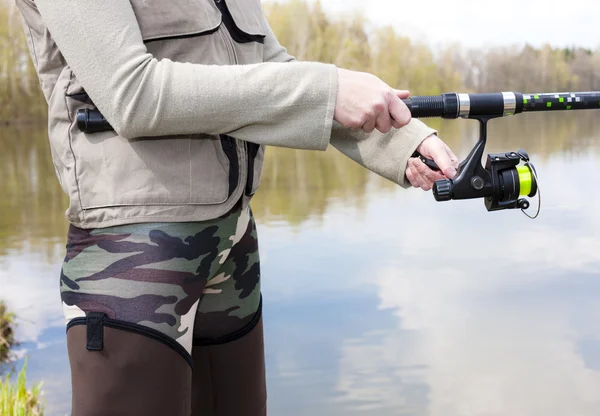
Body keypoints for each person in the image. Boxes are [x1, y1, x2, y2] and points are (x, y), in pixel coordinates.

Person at [15, 0, 459, 415]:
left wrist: (406, 142)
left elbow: (270, 69)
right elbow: (132, 92)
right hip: (132, 259)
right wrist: (329, 89)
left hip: (233, 245)